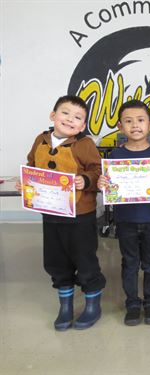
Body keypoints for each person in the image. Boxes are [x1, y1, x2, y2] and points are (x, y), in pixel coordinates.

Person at [16, 95, 106, 330]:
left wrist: (85, 180)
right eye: (65, 113)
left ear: (83, 126)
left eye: (77, 117)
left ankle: (92, 304)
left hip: (80, 215)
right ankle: (65, 305)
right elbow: (32, 165)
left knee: (84, 258)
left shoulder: (85, 145)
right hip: (51, 213)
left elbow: (98, 170)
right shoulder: (41, 140)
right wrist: (26, 182)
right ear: (53, 116)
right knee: (56, 259)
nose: (70, 119)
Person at [97, 100, 150, 326]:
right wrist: (103, 183)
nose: (135, 125)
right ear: (120, 126)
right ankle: (132, 303)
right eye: (128, 121)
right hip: (125, 220)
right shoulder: (114, 156)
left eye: (140, 120)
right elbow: (110, 186)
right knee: (129, 262)